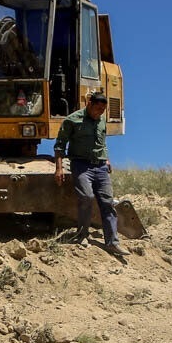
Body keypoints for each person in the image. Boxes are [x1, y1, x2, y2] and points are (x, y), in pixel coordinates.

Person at [53, 91, 123, 256]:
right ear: (89, 104)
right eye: (97, 108)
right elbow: (60, 145)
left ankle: (112, 243)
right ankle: (82, 235)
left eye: (103, 110)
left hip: (100, 167)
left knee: (108, 203)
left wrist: (106, 159)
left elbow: (102, 141)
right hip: (81, 165)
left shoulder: (101, 120)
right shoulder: (72, 120)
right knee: (86, 197)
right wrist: (59, 168)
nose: (100, 113)